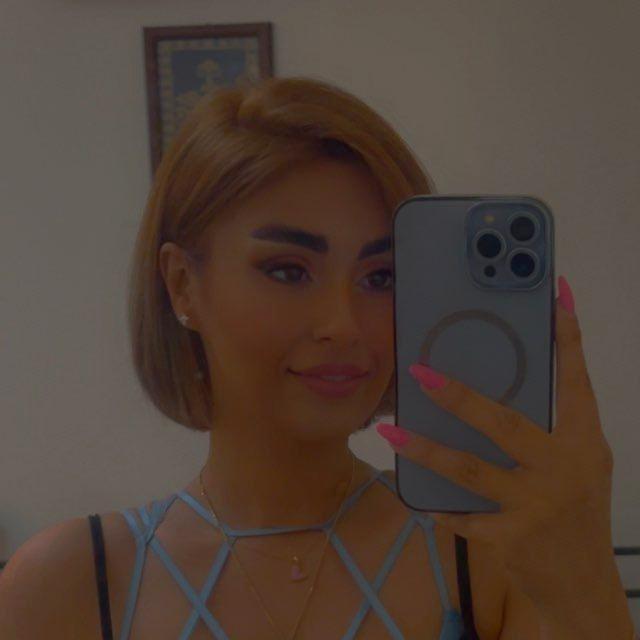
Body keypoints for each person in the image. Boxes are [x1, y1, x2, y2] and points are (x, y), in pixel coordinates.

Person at [0, 76, 538, 639]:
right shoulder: (73, 584)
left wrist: (575, 549)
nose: (343, 324)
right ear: (182, 284)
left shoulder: (484, 554)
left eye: (381, 277)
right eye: (288, 271)